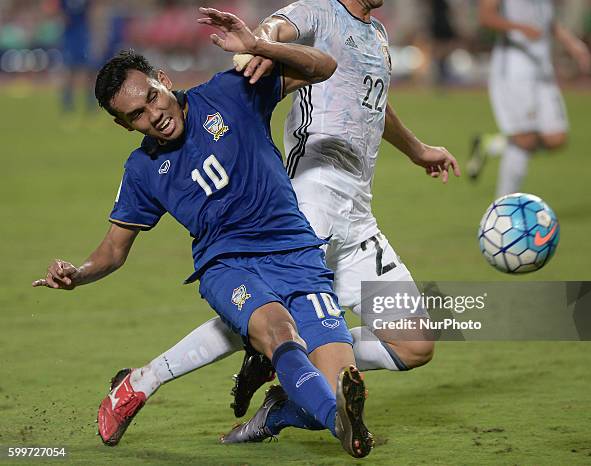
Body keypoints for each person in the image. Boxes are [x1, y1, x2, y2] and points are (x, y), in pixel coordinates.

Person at [32, 8, 373, 459]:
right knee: (279, 333)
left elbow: (324, 67)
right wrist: (78, 272)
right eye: (136, 115)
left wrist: (259, 46)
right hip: (227, 266)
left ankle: (280, 414)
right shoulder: (142, 170)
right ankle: (342, 426)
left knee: (327, 384)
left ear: (161, 77)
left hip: (296, 252)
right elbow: (114, 250)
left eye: (152, 97)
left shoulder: (231, 92)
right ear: (124, 125)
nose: (154, 115)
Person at [116, 0, 460, 443]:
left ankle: (281, 398)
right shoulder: (318, 11)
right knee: (263, 315)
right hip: (310, 202)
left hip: (357, 214)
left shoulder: (376, 35)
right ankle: (149, 377)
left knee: (415, 344)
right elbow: (275, 28)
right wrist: (257, 45)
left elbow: (372, 104)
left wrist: (416, 150)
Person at [467, 0, 591, 197]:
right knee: (525, 139)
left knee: (556, 137)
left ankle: (491, 145)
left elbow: (546, 19)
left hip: (542, 69)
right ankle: (503, 210)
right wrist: (519, 28)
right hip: (514, 68)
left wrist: (571, 42)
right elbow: (485, 16)